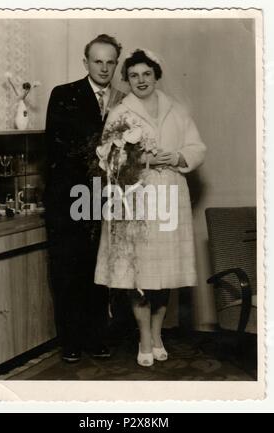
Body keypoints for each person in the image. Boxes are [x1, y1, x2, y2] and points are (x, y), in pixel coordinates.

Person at [95, 49, 206, 367]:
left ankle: (158, 334)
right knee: (139, 273)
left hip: (171, 194)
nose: (141, 80)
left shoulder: (178, 110)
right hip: (135, 198)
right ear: (127, 79)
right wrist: (143, 159)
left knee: (164, 271)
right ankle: (144, 336)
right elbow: (107, 156)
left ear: (156, 75)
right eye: (134, 75)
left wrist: (178, 157)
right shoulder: (120, 113)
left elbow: (196, 147)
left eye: (147, 74)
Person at [44, 34, 124, 362]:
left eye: (110, 62)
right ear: (86, 62)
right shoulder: (64, 96)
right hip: (70, 199)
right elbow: (56, 150)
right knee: (69, 271)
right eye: (97, 61)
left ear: (116, 64)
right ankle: (71, 341)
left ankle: (96, 338)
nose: (104, 68)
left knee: (100, 271)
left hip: (107, 200)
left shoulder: (124, 100)